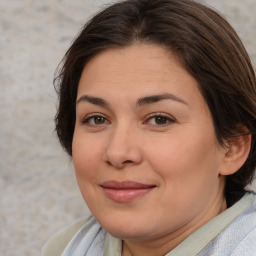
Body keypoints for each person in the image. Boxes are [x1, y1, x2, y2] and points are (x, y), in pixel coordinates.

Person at [42, 0, 256, 255]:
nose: (118, 153)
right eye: (97, 119)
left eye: (159, 119)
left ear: (232, 147)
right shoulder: (64, 247)